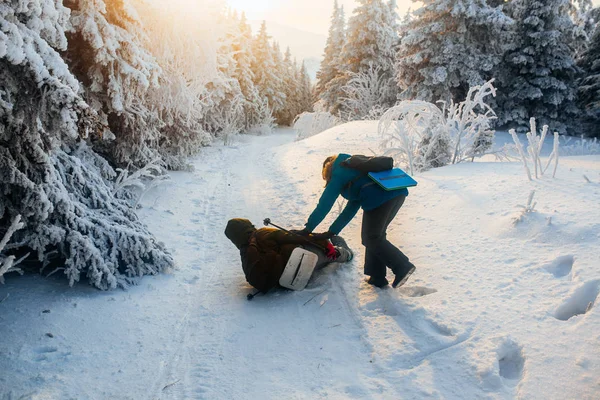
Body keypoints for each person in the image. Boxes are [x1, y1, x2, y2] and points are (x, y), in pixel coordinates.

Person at [296, 154, 416, 288]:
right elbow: (350, 209)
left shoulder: (338, 173)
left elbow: (325, 204)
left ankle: (402, 266)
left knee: (371, 238)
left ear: (327, 171)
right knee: (376, 236)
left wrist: (308, 229)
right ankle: (377, 277)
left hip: (381, 198)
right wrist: (331, 232)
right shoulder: (353, 171)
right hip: (396, 192)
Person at [225, 218, 353, 293]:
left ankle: (295, 274)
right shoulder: (262, 233)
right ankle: (345, 253)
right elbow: (294, 237)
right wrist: (323, 242)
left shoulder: (245, 254)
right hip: (303, 260)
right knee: (322, 252)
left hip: (284, 282)